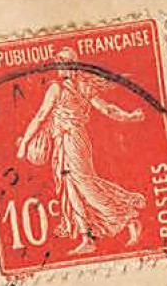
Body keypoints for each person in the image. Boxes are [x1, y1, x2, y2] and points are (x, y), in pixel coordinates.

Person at [16, 47, 146, 255]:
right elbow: (107, 109)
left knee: (85, 184)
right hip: (64, 141)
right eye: (58, 63)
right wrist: (129, 116)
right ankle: (87, 237)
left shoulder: (60, 89)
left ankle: (127, 218)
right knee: (71, 188)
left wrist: (24, 144)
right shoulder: (76, 87)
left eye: (62, 63)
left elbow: (41, 117)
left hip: (73, 139)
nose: (59, 67)